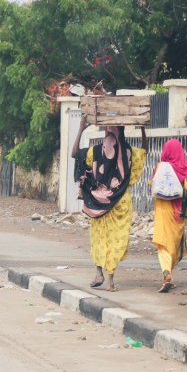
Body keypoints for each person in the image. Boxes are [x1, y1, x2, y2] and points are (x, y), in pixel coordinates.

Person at [71, 116, 147, 292]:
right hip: (120, 203)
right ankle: (110, 280)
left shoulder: (96, 151)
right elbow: (145, 151)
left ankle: (100, 273)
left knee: (99, 238)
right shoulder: (128, 152)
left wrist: (81, 129)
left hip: (99, 202)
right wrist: (143, 129)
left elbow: (75, 154)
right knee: (115, 240)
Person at [152, 139, 187, 293]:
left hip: (162, 210)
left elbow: (152, 186)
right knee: (175, 245)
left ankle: (167, 273)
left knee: (163, 243)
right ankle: (167, 274)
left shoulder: (159, 167)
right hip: (178, 212)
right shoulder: (184, 170)